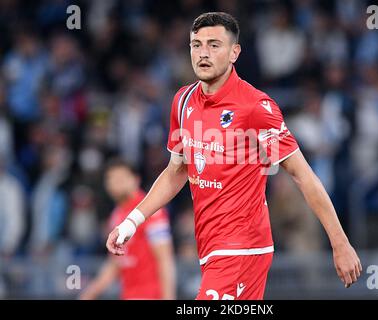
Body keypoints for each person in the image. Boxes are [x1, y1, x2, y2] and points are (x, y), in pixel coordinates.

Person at [106, 12, 362, 300]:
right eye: (196, 45)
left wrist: (340, 243)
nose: (203, 53)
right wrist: (131, 221)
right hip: (210, 247)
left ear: (234, 53)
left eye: (214, 45)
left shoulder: (255, 107)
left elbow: (302, 175)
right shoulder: (182, 101)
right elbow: (176, 172)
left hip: (242, 248)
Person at [81, 159, 176, 300]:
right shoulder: (116, 215)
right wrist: (90, 293)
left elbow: (165, 258)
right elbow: (115, 263)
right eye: (111, 179)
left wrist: (168, 297)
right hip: (128, 295)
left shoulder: (150, 211)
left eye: (120, 178)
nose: (115, 184)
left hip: (151, 295)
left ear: (136, 179)